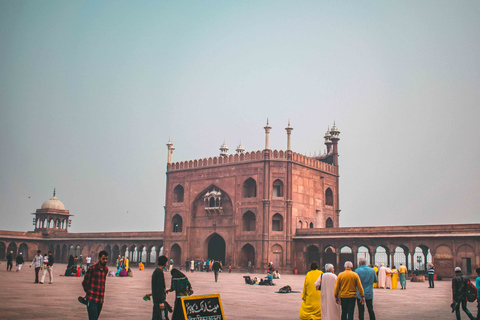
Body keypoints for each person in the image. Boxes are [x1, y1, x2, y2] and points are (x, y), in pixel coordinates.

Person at [82, 250, 109, 320]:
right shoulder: (92, 269)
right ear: (99, 258)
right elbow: (85, 283)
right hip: (92, 299)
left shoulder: (105, 269)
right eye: (103, 259)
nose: (105, 261)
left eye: (106, 259)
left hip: (100, 300)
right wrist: (89, 293)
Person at [152, 255, 168, 320]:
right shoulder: (159, 273)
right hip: (159, 300)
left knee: (156, 316)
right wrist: (161, 301)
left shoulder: (156, 271)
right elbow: (159, 288)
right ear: (165, 263)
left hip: (156, 299)